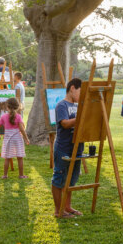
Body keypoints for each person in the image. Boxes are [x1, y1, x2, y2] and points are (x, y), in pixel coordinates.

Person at [51, 78, 82, 219]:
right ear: (72, 88)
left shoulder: (78, 106)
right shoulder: (61, 105)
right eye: (80, 91)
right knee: (59, 179)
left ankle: (67, 207)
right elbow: (64, 123)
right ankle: (58, 210)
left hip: (76, 148)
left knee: (70, 180)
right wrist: (82, 117)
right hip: (63, 147)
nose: (81, 95)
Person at [0, 97, 29, 179]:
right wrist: (26, 138)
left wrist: (4, 125)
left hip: (8, 139)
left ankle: (5, 175)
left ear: (7, 107)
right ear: (17, 107)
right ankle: (21, 175)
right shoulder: (18, 116)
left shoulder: (4, 116)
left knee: (7, 158)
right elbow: (21, 129)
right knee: (20, 157)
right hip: (17, 139)